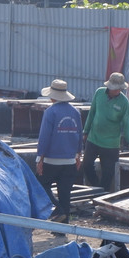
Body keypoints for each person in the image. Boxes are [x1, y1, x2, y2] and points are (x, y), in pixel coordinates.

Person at [35, 79, 83, 222]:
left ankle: (57, 210)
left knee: (40, 184)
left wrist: (39, 158)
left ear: (52, 96)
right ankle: (62, 227)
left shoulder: (50, 112)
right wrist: (78, 155)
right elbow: (79, 134)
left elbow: (44, 136)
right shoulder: (75, 111)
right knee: (65, 193)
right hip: (70, 160)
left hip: (52, 159)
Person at [81, 72, 129, 192]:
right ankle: (97, 188)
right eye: (115, 89)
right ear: (109, 86)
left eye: (119, 89)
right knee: (86, 165)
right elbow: (92, 113)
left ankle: (101, 194)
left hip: (110, 144)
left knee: (108, 173)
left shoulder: (124, 102)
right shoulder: (99, 93)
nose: (117, 91)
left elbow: (127, 123)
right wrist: (85, 131)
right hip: (94, 139)